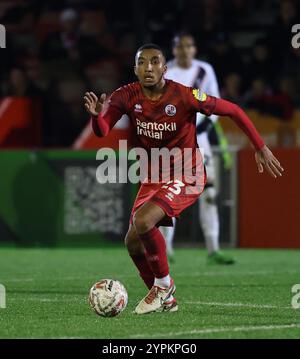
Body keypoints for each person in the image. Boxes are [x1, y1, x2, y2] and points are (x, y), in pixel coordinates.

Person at [83, 44, 284, 315]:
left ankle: (164, 287)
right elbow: (102, 129)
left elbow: (233, 110)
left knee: (144, 222)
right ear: (136, 69)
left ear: (164, 69)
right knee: (132, 241)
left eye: (155, 62)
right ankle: (166, 300)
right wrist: (97, 118)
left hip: (187, 173)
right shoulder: (126, 95)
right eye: (142, 62)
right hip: (153, 176)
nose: (149, 67)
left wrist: (260, 146)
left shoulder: (184, 96)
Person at [163, 32, 234, 264]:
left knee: (210, 194)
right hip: (172, 143)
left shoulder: (205, 70)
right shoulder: (166, 72)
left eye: (189, 46)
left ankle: (213, 249)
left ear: (194, 49)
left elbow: (215, 103)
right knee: (168, 195)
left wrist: (200, 127)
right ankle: (166, 249)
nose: (184, 50)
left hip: (200, 140)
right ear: (174, 50)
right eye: (180, 46)